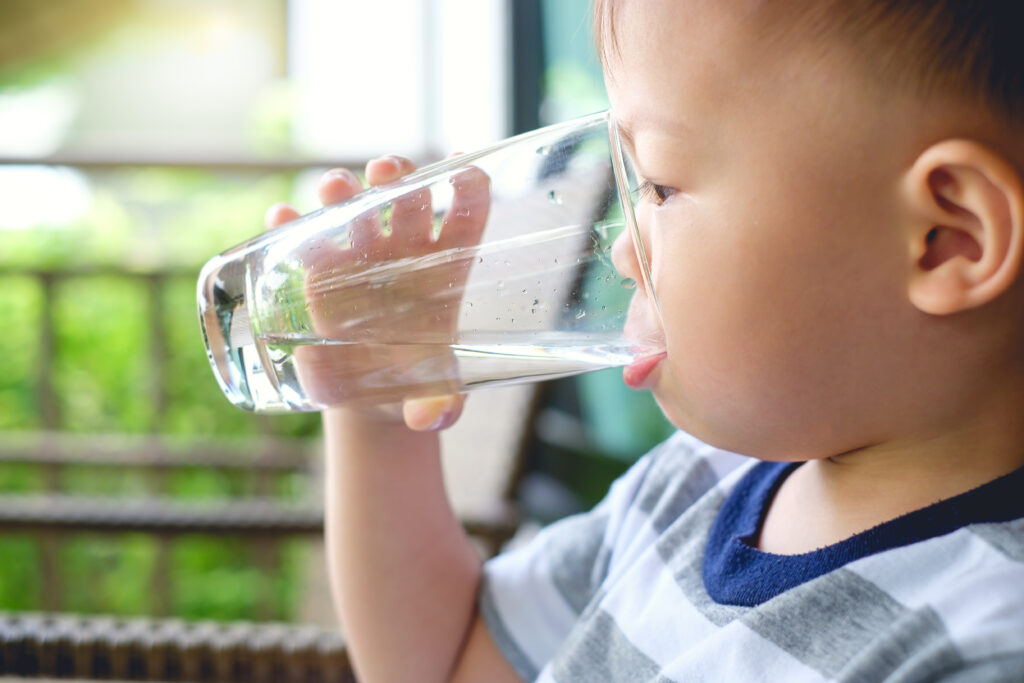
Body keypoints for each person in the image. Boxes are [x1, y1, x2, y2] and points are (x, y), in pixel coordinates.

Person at [265, 0, 1024, 680]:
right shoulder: (695, 483)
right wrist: (379, 414)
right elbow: (446, 661)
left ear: (945, 239)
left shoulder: (980, 638)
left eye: (658, 185)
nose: (624, 249)